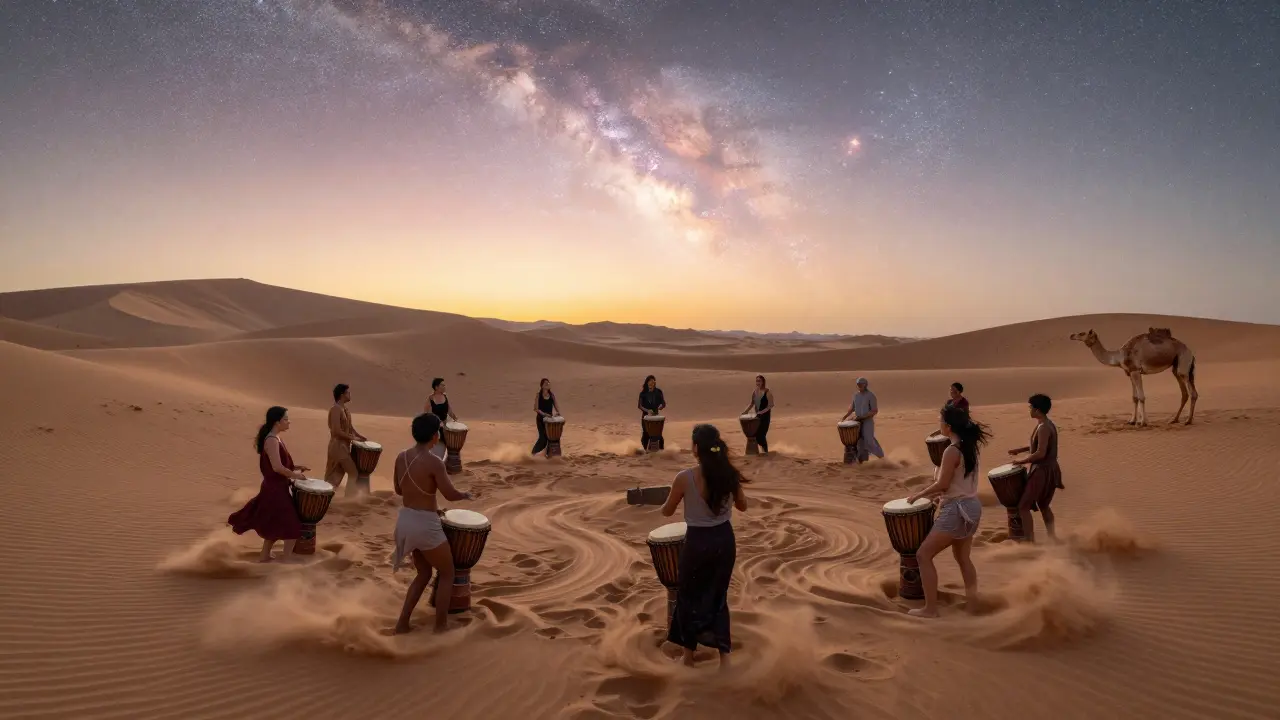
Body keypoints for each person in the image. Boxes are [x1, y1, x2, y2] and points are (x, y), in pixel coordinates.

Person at [659, 424, 749, 669]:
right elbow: (743, 506)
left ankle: (688, 658)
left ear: (696, 448)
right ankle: (725, 660)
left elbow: (667, 511)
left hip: (698, 543)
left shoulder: (684, 478)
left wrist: (672, 496)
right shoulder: (729, 474)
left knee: (688, 597)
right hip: (723, 541)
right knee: (718, 597)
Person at [390, 413, 475, 634]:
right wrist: (465, 495)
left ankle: (402, 624)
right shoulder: (435, 462)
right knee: (447, 573)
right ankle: (440, 626)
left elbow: (399, 490)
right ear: (434, 436)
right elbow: (449, 494)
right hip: (425, 524)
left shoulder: (401, 457)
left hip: (405, 521)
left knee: (424, 573)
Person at [905, 404, 990, 617]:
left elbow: (943, 484)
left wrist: (918, 495)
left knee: (923, 555)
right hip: (972, 507)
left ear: (949, 426)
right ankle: (972, 605)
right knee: (963, 558)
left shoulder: (951, 451)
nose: (939, 424)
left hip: (957, 510)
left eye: (940, 421)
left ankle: (930, 609)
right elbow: (955, 483)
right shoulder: (969, 447)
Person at [228, 406, 311, 563]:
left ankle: (264, 556)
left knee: (274, 522)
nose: (289, 422)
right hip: (275, 489)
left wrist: (297, 466)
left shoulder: (275, 438)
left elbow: (279, 464)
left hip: (276, 487)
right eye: (286, 419)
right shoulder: (272, 440)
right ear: (277, 422)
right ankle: (287, 559)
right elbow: (277, 468)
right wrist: (296, 476)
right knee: (292, 524)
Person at [1008, 394, 1064, 543]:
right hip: (1050, 469)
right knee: (1044, 505)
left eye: (1031, 407)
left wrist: (1022, 461)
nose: (1029, 410)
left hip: (1042, 471)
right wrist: (1019, 450)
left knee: (1023, 506)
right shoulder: (1046, 424)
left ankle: (1030, 541)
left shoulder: (1044, 427)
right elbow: (1038, 445)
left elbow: (1040, 453)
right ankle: (1053, 537)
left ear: (1037, 410)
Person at [324, 383, 366, 491]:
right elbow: (336, 431)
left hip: (344, 447)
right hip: (337, 447)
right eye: (348, 392)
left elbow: (349, 427)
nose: (350, 394)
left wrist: (359, 436)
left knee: (336, 475)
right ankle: (349, 500)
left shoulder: (345, 410)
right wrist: (353, 438)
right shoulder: (335, 409)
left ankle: (328, 498)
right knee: (353, 473)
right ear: (342, 394)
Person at [840, 377, 884, 463]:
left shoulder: (871, 396)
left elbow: (874, 411)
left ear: (865, 385)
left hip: (867, 422)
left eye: (861, 384)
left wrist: (863, 417)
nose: (859, 385)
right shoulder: (856, 395)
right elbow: (852, 408)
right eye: (858, 384)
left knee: (869, 440)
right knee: (859, 442)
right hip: (857, 422)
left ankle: (882, 458)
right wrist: (845, 416)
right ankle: (861, 460)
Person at [425, 377, 459, 461]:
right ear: (436, 387)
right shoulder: (430, 399)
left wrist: (455, 418)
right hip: (434, 429)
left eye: (444, 385)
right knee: (435, 451)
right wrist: (437, 423)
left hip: (444, 428)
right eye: (442, 385)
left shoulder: (445, 397)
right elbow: (428, 414)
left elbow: (449, 410)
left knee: (445, 450)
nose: (444, 387)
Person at [740, 375, 774, 454]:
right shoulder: (755, 392)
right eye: (757, 381)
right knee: (756, 436)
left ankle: (765, 452)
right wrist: (745, 411)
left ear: (763, 382)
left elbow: (771, 405)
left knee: (761, 435)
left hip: (765, 417)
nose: (758, 382)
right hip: (757, 417)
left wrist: (762, 412)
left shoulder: (767, 392)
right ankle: (759, 451)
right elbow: (752, 403)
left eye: (759, 381)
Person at [531, 378, 561, 456]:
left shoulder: (551, 395)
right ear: (542, 386)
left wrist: (558, 412)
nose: (547, 384)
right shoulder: (538, 395)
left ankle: (549, 454)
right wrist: (544, 414)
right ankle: (533, 453)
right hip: (541, 419)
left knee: (551, 439)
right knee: (543, 438)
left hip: (549, 421)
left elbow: (556, 405)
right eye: (545, 383)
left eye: (548, 383)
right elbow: (536, 409)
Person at [638, 374, 667, 450]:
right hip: (646, 417)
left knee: (659, 436)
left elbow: (663, 403)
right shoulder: (643, 393)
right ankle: (645, 451)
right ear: (647, 383)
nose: (651, 383)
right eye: (650, 382)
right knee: (645, 435)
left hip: (655, 417)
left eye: (653, 382)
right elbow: (639, 406)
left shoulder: (658, 392)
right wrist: (647, 411)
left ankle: (661, 451)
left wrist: (661, 406)